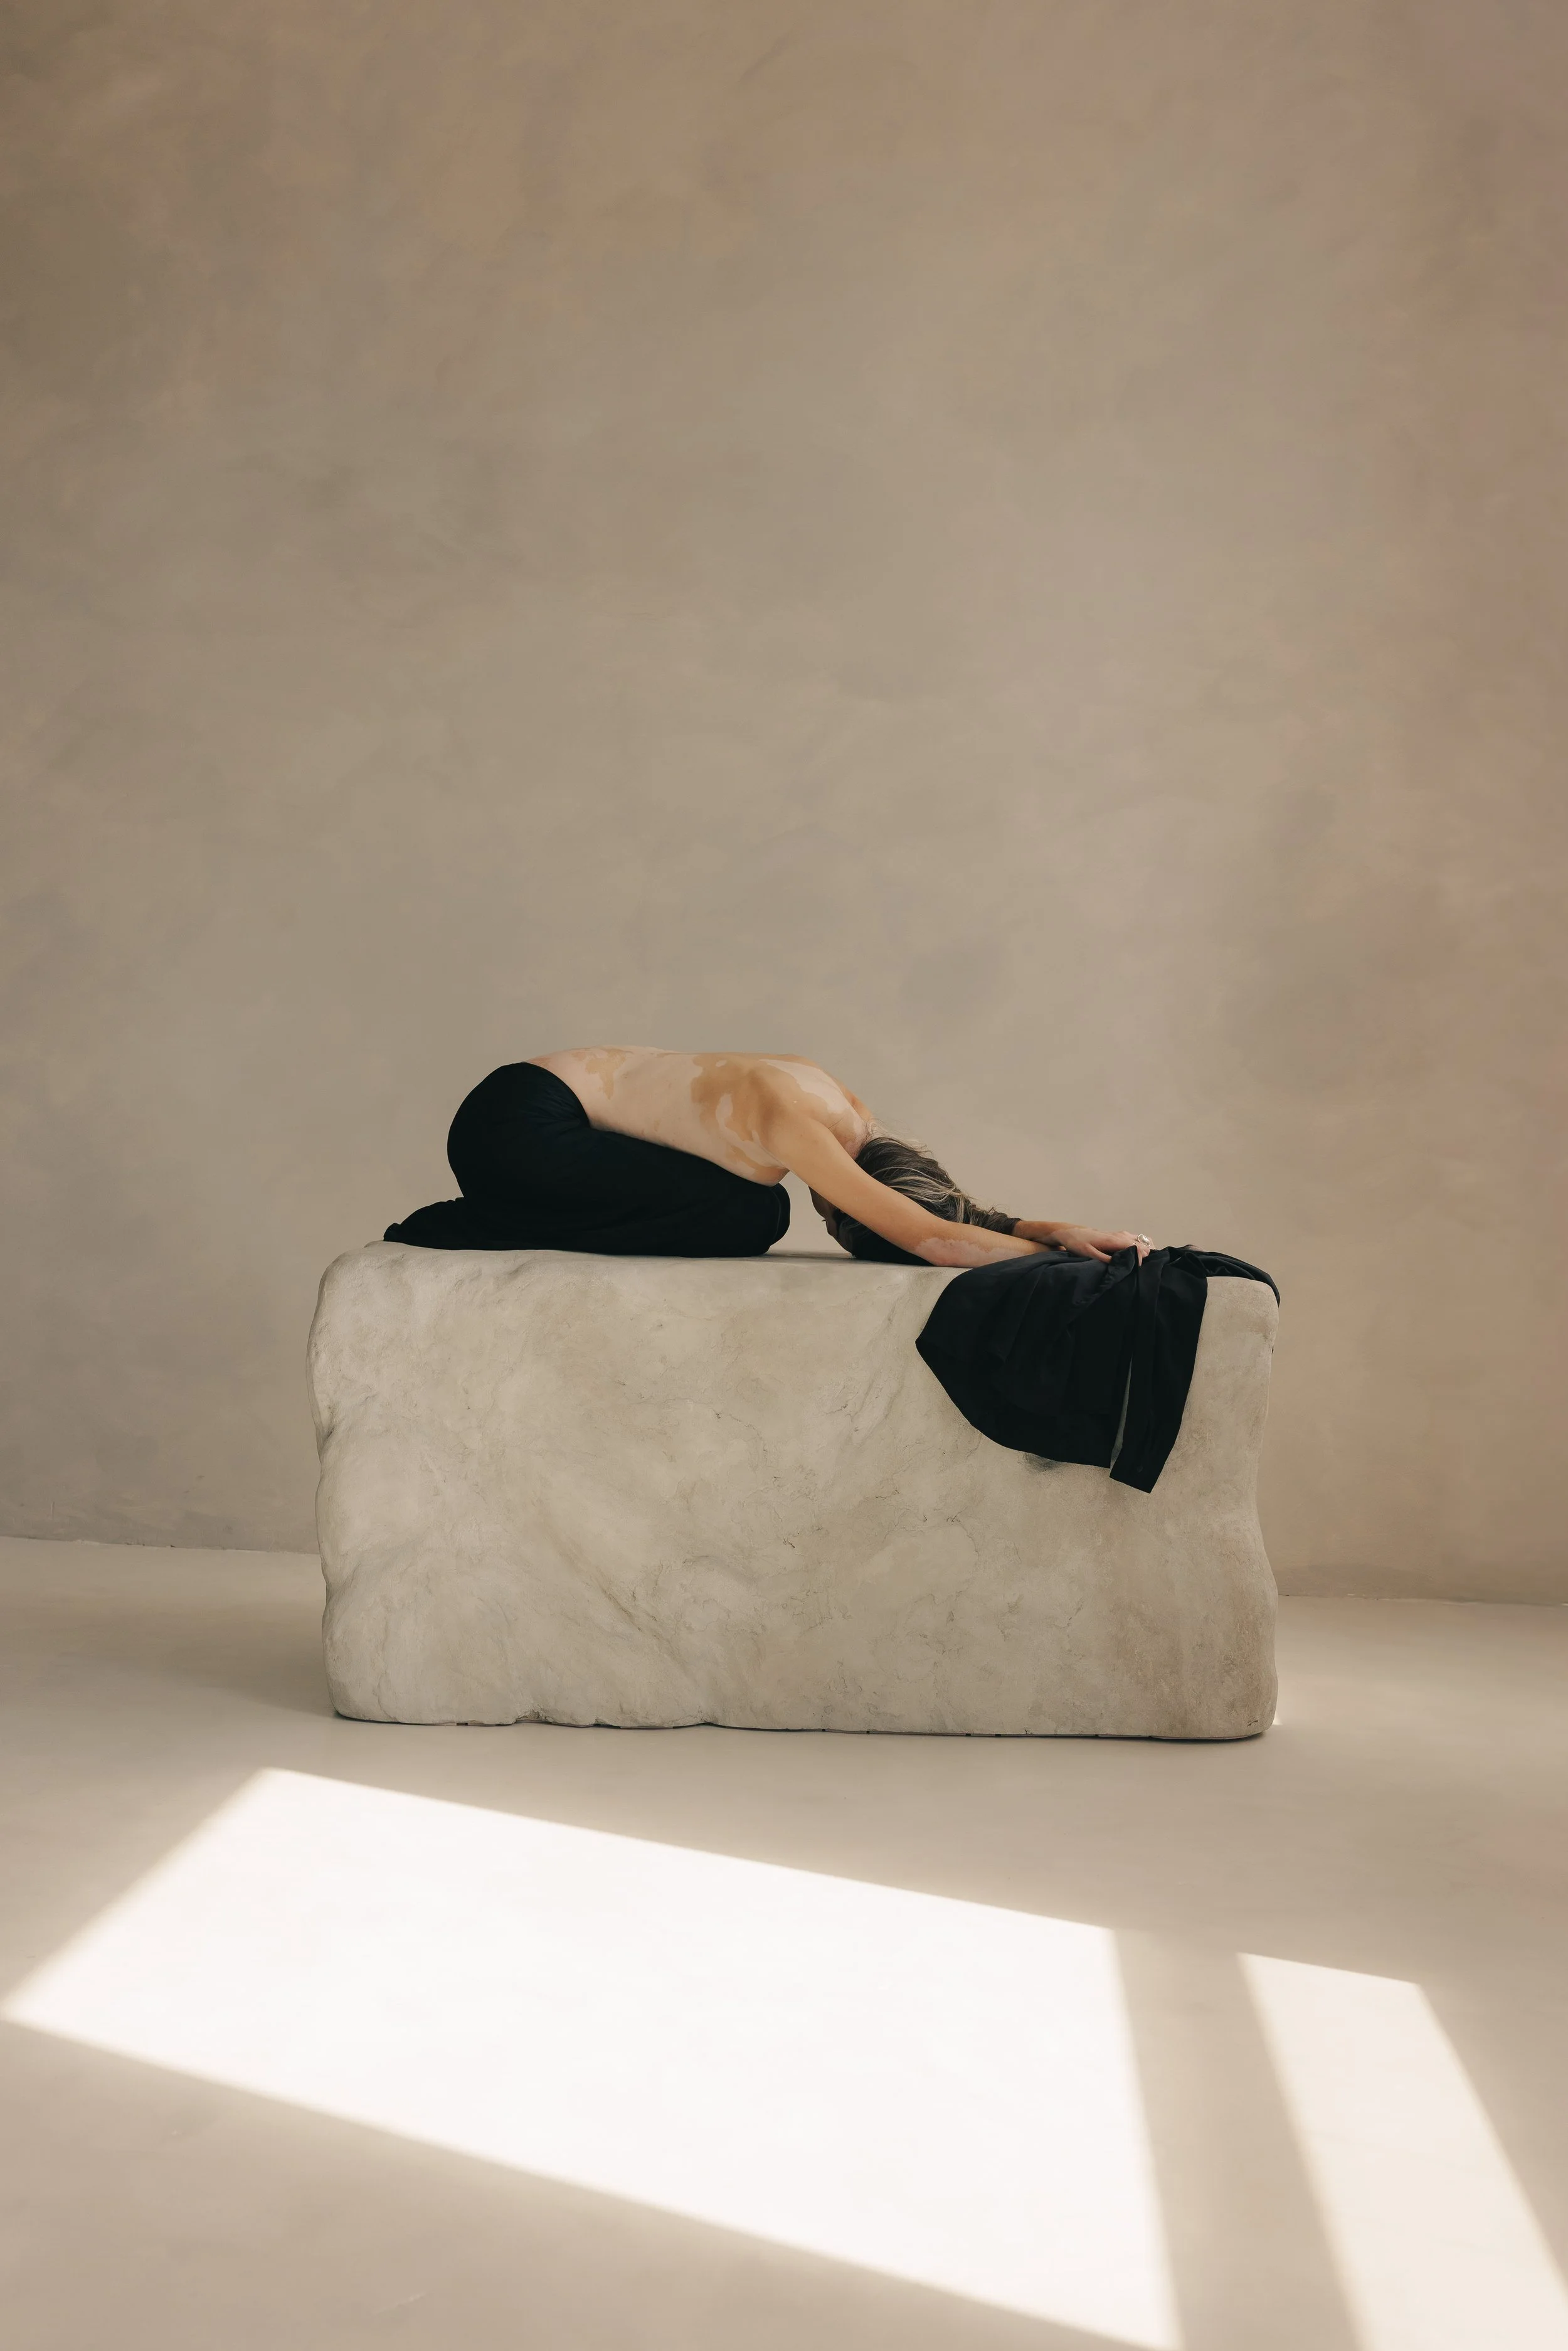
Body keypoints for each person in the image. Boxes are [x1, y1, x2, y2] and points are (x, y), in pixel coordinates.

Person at [384, 1048, 1152, 1267]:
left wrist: (1051, 1227)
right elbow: (932, 1237)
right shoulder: (795, 1123)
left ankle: (505, 1209)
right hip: (516, 1132)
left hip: (522, 1106)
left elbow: (948, 1212)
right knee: (750, 1214)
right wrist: (1065, 1262)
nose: (831, 1211)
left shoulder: (843, 1106)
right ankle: (472, 1223)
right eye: (842, 1214)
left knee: (750, 1205)